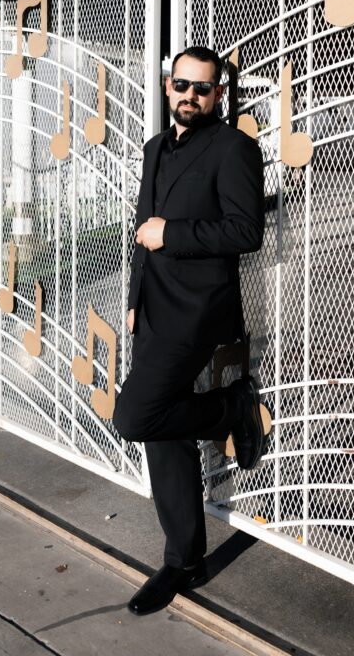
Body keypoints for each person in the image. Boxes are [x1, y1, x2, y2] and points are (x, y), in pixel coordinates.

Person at [113, 45, 266, 616]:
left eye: (203, 88)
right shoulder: (154, 148)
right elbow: (141, 227)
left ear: (218, 95)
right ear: (167, 85)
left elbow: (244, 231)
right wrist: (133, 298)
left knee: (135, 416)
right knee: (162, 435)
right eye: (182, 85)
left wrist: (172, 234)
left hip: (199, 313)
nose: (191, 96)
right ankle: (184, 560)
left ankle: (228, 408)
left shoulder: (234, 148)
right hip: (154, 310)